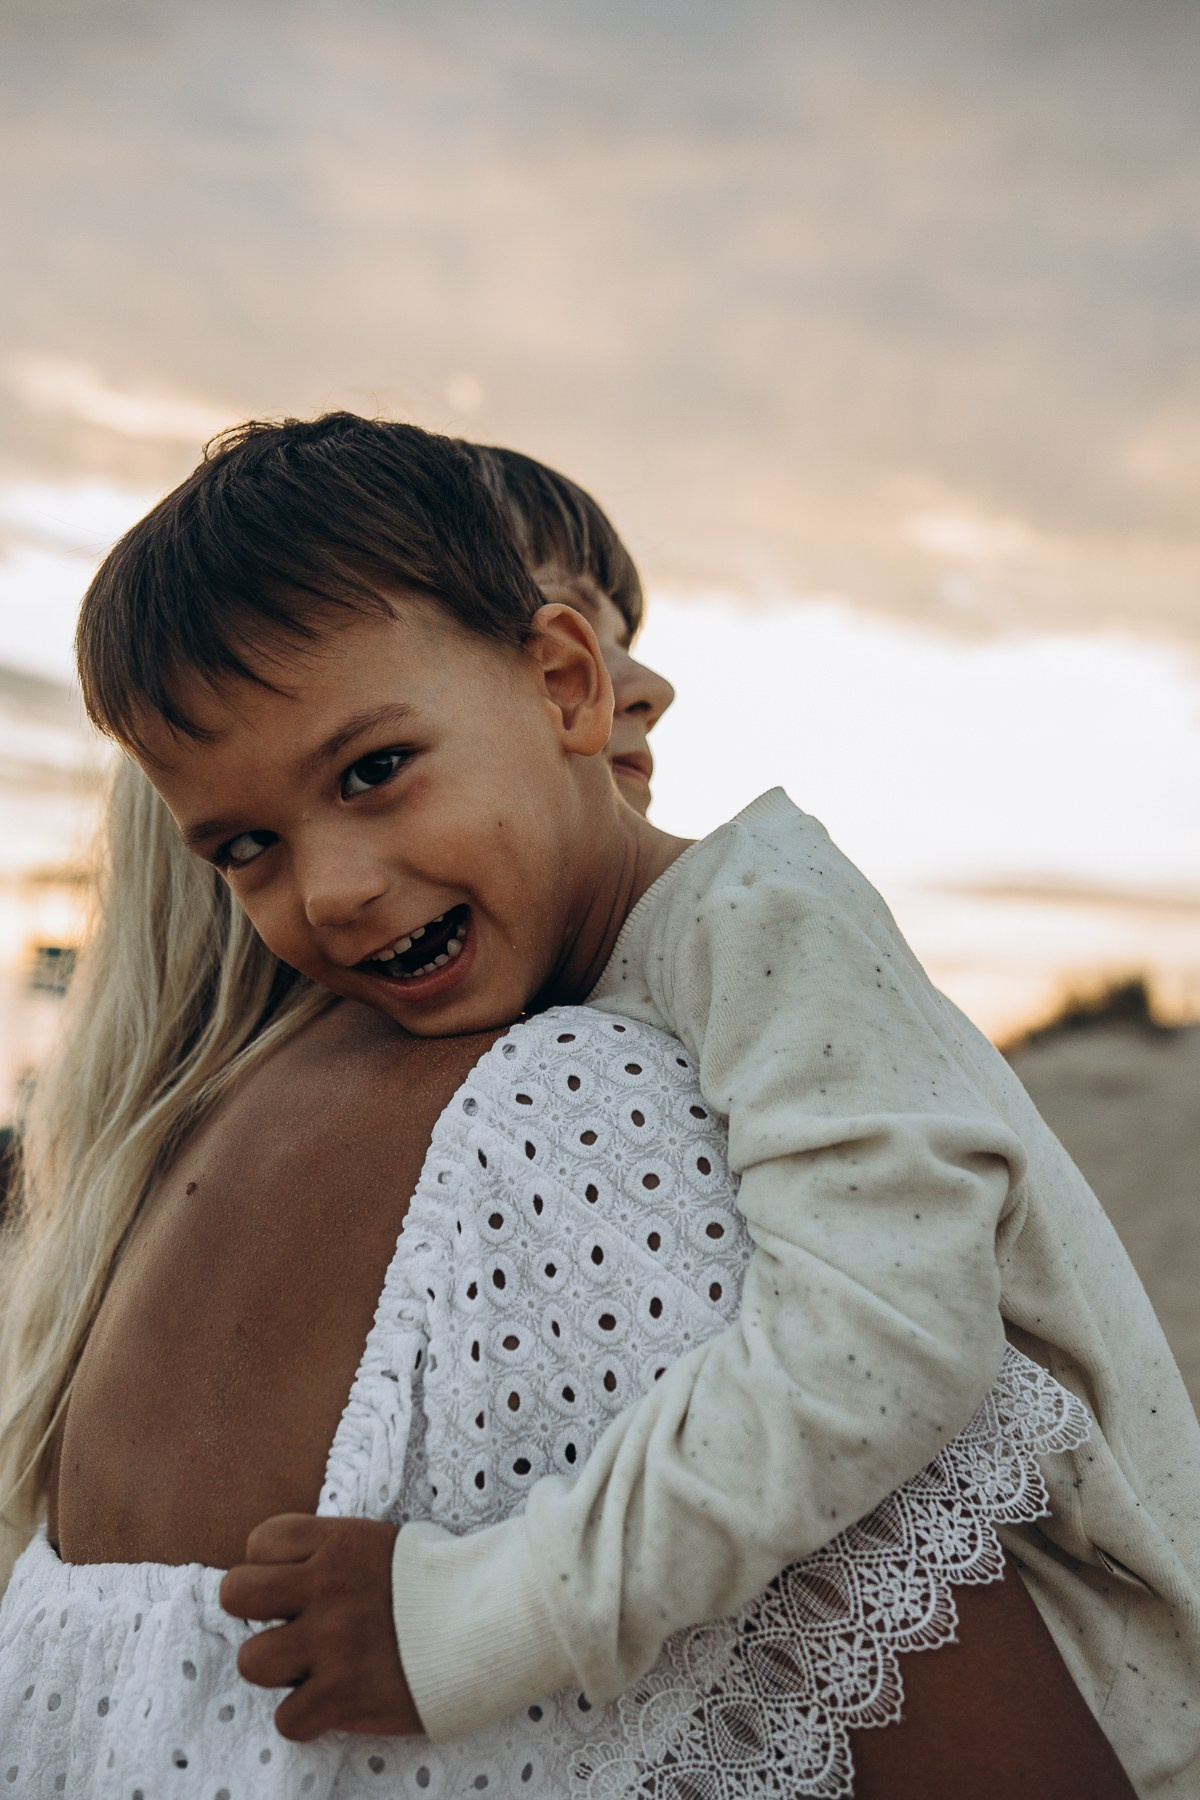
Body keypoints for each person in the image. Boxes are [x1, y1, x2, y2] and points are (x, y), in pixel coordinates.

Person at [0, 416, 1192, 1792]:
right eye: (249, 847)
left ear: (568, 683)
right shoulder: (582, 1008)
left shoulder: (767, 926)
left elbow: (878, 1351)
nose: (329, 889)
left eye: (374, 770)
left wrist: (469, 1619)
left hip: (1124, 1699)